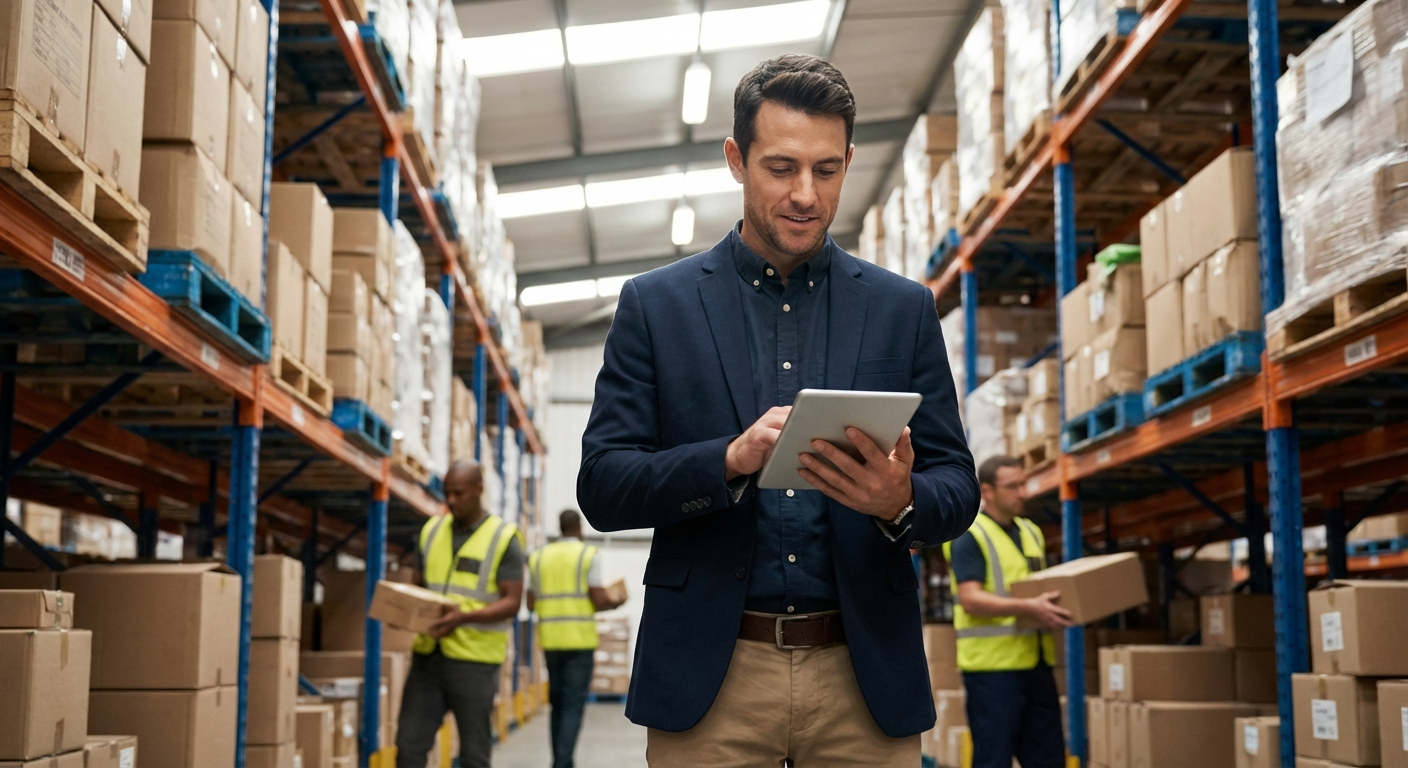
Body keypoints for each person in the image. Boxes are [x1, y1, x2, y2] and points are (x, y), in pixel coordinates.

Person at [577, 54, 979, 766]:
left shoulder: (902, 310)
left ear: (849, 163)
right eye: (781, 167)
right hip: (713, 675)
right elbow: (604, 485)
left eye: (826, 170)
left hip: (863, 677)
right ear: (737, 159)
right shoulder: (657, 306)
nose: (805, 194)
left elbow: (957, 485)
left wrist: (900, 500)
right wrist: (727, 461)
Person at [942, 455, 1073, 768]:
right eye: (1012, 486)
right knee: (993, 760)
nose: (1022, 492)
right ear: (987, 491)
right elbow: (971, 599)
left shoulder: (1031, 531)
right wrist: (1029, 607)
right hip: (993, 672)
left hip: (1037, 663)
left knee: (1048, 759)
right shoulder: (969, 535)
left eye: (1023, 484)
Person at [395, 459, 525, 768]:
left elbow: (512, 601)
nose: (450, 501)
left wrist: (462, 617)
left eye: (458, 493)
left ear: (478, 490)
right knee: (409, 748)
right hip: (428, 658)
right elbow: (420, 586)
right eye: (447, 493)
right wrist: (404, 611)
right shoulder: (431, 531)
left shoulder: (503, 538)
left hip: (475, 664)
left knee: (474, 754)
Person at [526, 509, 627, 768]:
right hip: (579, 643)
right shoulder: (586, 555)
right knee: (572, 706)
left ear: (560, 528)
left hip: (550, 640)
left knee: (557, 705)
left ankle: (560, 760)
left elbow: (530, 602)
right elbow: (597, 598)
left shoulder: (538, 558)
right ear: (579, 528)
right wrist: (616, 602)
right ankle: (563, 763)